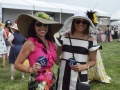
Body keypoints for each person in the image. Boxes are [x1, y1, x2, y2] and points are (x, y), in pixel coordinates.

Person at [54, 10, 102, 90]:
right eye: (78, 21)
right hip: (63, 75)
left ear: (87, 24)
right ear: (73, 22)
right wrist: (61, 64)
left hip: (80, 75)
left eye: (84, 22)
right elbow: (56, 55)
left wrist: (84, 66)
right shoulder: (63, 37)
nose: (81, 24)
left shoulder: (91, 40)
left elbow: (93, 60)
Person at [14, 12, 63, 90]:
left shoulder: (50, 43)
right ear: (33, 26)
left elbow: (58, 62)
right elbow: (17, 64)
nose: (42, 27)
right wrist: (30, 69)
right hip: (38, 81)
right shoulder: (30, 43)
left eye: (45, 24)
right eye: (39, 24)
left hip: (51, 79)